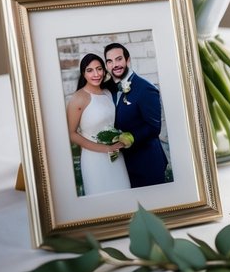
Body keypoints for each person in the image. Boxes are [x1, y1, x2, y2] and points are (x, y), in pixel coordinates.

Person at [104, 42, 169, 188]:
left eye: (119, 59)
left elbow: (153, 127)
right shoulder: (110, 89)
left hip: (147, 165)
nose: (115, 64)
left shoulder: (146, 89)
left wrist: (126, 139)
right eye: (110, 61)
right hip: (123, 166)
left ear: (127, 60)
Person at [66, 53, 131, 196]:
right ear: (83, 73)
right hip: (94, 160)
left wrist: (121, 139)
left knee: (124, 196)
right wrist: (105, 148)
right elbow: (71, 134)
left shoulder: (108, 93)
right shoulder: (78, 98)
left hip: (116, 156)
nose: (96, 74)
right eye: (90, 70)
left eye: (99, 69)